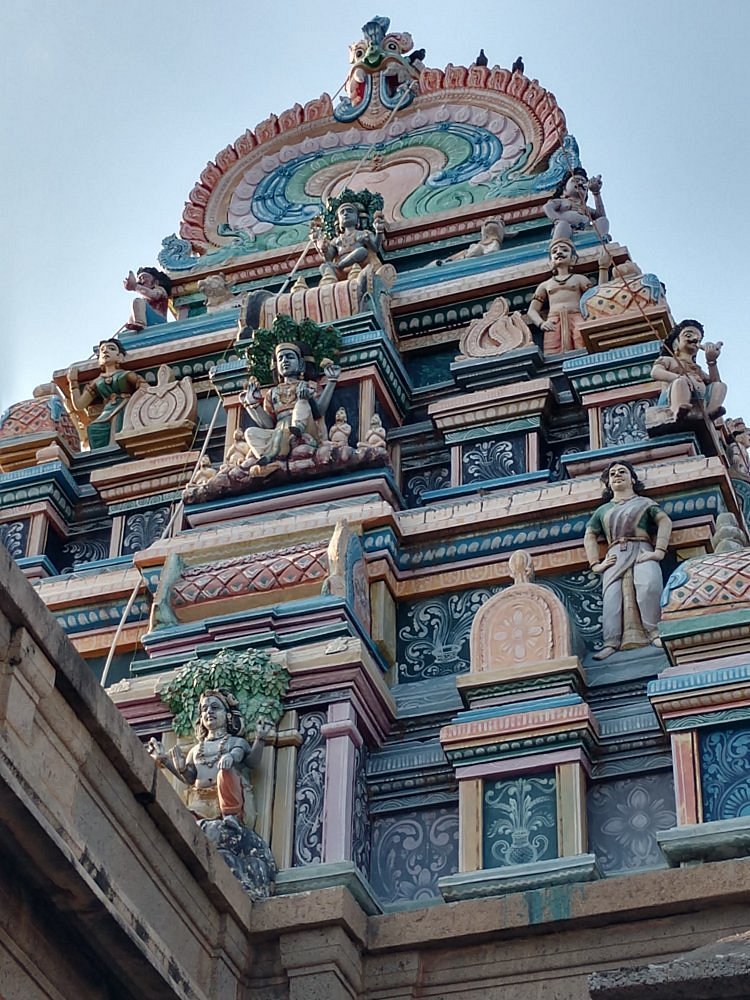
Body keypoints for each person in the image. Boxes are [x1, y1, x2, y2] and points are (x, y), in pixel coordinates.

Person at [584, 461, 672, 660]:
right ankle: (611, 643)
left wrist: (659, 551)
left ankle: (654, 632)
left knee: (648, 585)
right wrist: (595, 563)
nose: (617, 475)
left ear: (632, 479)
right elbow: (590, 535)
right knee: (612, 600)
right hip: (615, 555)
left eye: (622, 472)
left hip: (642, 549)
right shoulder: (603, 510)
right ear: (608, 484)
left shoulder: (644, 503)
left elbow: (664, 521)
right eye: (612, 474)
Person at [147, 689, 271, 828]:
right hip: (201, 802)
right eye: (205, 709)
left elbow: (252, 762)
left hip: (230, 802)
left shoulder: (235, 742)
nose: (209, 712)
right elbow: (189, 779)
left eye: (215, 707)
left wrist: (260, 739)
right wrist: (170, 763)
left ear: (228, 715)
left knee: (225, 772)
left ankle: (231, 816)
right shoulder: (196, 750)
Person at [240, 341, 341, 470]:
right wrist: (252, 404)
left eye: (290, 357)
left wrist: (332, 381)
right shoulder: (272, 393)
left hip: (305, 430)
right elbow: (268, 424)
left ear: (300, 364)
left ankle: (298, 429)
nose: (285, 361)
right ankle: (266, 458)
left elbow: (319, 411)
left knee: (301, 402)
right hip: (279, 433)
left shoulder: (308, 385)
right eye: (280, 358)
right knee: (250, 432)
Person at [526, 239, 608, 354]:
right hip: (553, 321)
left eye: (564, 250)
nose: (559, 252)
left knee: (583, 346)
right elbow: (532, 310)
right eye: (554, 252)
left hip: (577, 317)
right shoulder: (545, 285)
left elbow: (597, 298)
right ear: (550, 262)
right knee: (552, 351)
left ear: (573, 259)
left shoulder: (579, 279)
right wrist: (541, 323)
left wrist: (603, 268)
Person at [67, 338, 145, 449]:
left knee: (118, 424)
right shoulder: (97, 381)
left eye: (111, 348)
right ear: (99, 360)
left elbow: (144, 387)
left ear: (120, 357)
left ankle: (116, 450)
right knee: (94, 428)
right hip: (107, 410)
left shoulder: (126, 375)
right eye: (102, 350)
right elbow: (79, 405)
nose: (105, 351)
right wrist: (73, 382)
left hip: (125, 406)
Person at [650, 319, 726, 421]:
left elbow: (714, 382)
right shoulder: (669, 360)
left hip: (697, 399)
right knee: (680, 382)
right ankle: (678, 410)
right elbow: (655, 372)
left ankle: (710, 412)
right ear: (676, 343)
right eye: (688, 335)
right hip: (672, 399)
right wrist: (679, 378)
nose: (695, 339)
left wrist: (711, 362)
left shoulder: (697, 369)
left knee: (720, 385)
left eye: (698, 339)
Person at [312, 200, 384, 283]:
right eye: (342, 212)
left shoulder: (364, 233)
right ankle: (332, 278)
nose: (345, 214)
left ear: (357, 219)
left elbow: (375, 248)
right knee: (324, 266)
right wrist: (323, 248)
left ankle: (339, 265)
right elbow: (328, 257)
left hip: (358, 264)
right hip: (341, 271)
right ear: (339, 221)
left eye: (350, 211)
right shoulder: (336, 240)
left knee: (362, 251)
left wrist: (379, 231)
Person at [543, 167, 609, 241]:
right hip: (567, 229)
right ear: (564, 190)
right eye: (576, 181)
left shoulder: (586, 208)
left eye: (583, 182)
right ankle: (560, 246)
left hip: (585, 230)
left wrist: (596, 193)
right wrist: (557, 220)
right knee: (562, 226)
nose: (580, 183)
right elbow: (547, 207)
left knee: (603, 220)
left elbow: (600, 216)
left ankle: (600, 240)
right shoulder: (562, 201)